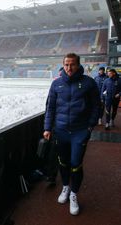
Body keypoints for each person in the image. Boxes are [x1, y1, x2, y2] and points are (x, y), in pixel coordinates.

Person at [43, 53, 100, 215]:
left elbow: (96, 106)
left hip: (79, 132)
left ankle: (74, 194)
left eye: (72, 64)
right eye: (66, 65)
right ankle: (66, 187)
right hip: (60, 131)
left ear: (78, 65)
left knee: (76, 163)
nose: (69, 68)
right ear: (63, 65)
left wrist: (90, 126)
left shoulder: (88, 83)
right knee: (63, 162)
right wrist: (47, 128)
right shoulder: (56, 84)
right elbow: (50, 108)